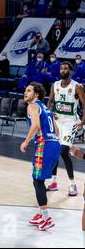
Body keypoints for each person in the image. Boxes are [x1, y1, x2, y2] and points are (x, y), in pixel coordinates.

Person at [20, 82, 61, 231]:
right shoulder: (46, 109)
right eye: (25, 90)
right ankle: (40, 213)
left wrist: (26, 141)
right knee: (39, 180)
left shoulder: (32, 106)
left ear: (36, 94)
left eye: (29, 90)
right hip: (55, 144)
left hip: (45, 145)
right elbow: (57, 132)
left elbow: (36, 125)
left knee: (38, 181)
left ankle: (46, 217)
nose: (25, 93)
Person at [47, 62, 85, 196]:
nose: (63, 70)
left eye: (66, 68)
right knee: (54, 150)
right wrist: (50, 113)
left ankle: (72, 184)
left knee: (63, 151)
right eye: (61, 68)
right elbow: (50, 102)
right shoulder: (55, 85)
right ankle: (54, 182)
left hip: (70, 122)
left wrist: (83, 122)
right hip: (58, 122)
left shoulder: (77, 86)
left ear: (71, 71)